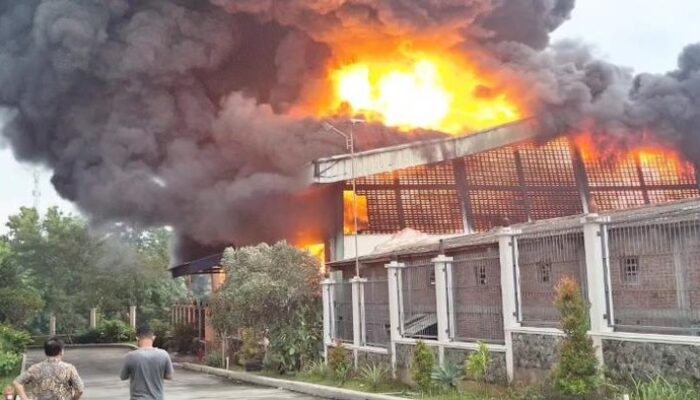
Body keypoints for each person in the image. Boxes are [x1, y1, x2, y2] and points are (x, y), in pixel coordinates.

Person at [13, 337, 84, 400]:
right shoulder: (69, 369)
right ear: (61, 352)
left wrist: (24, 398)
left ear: (46, 352)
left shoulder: (35, 368)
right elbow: (80, 389)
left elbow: (17, 382)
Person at [120, 324, 174, 400]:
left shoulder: (130, 356)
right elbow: (169, 376)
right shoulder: (164, 354)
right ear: (153, 338)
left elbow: (123, 377)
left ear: (137, 338)